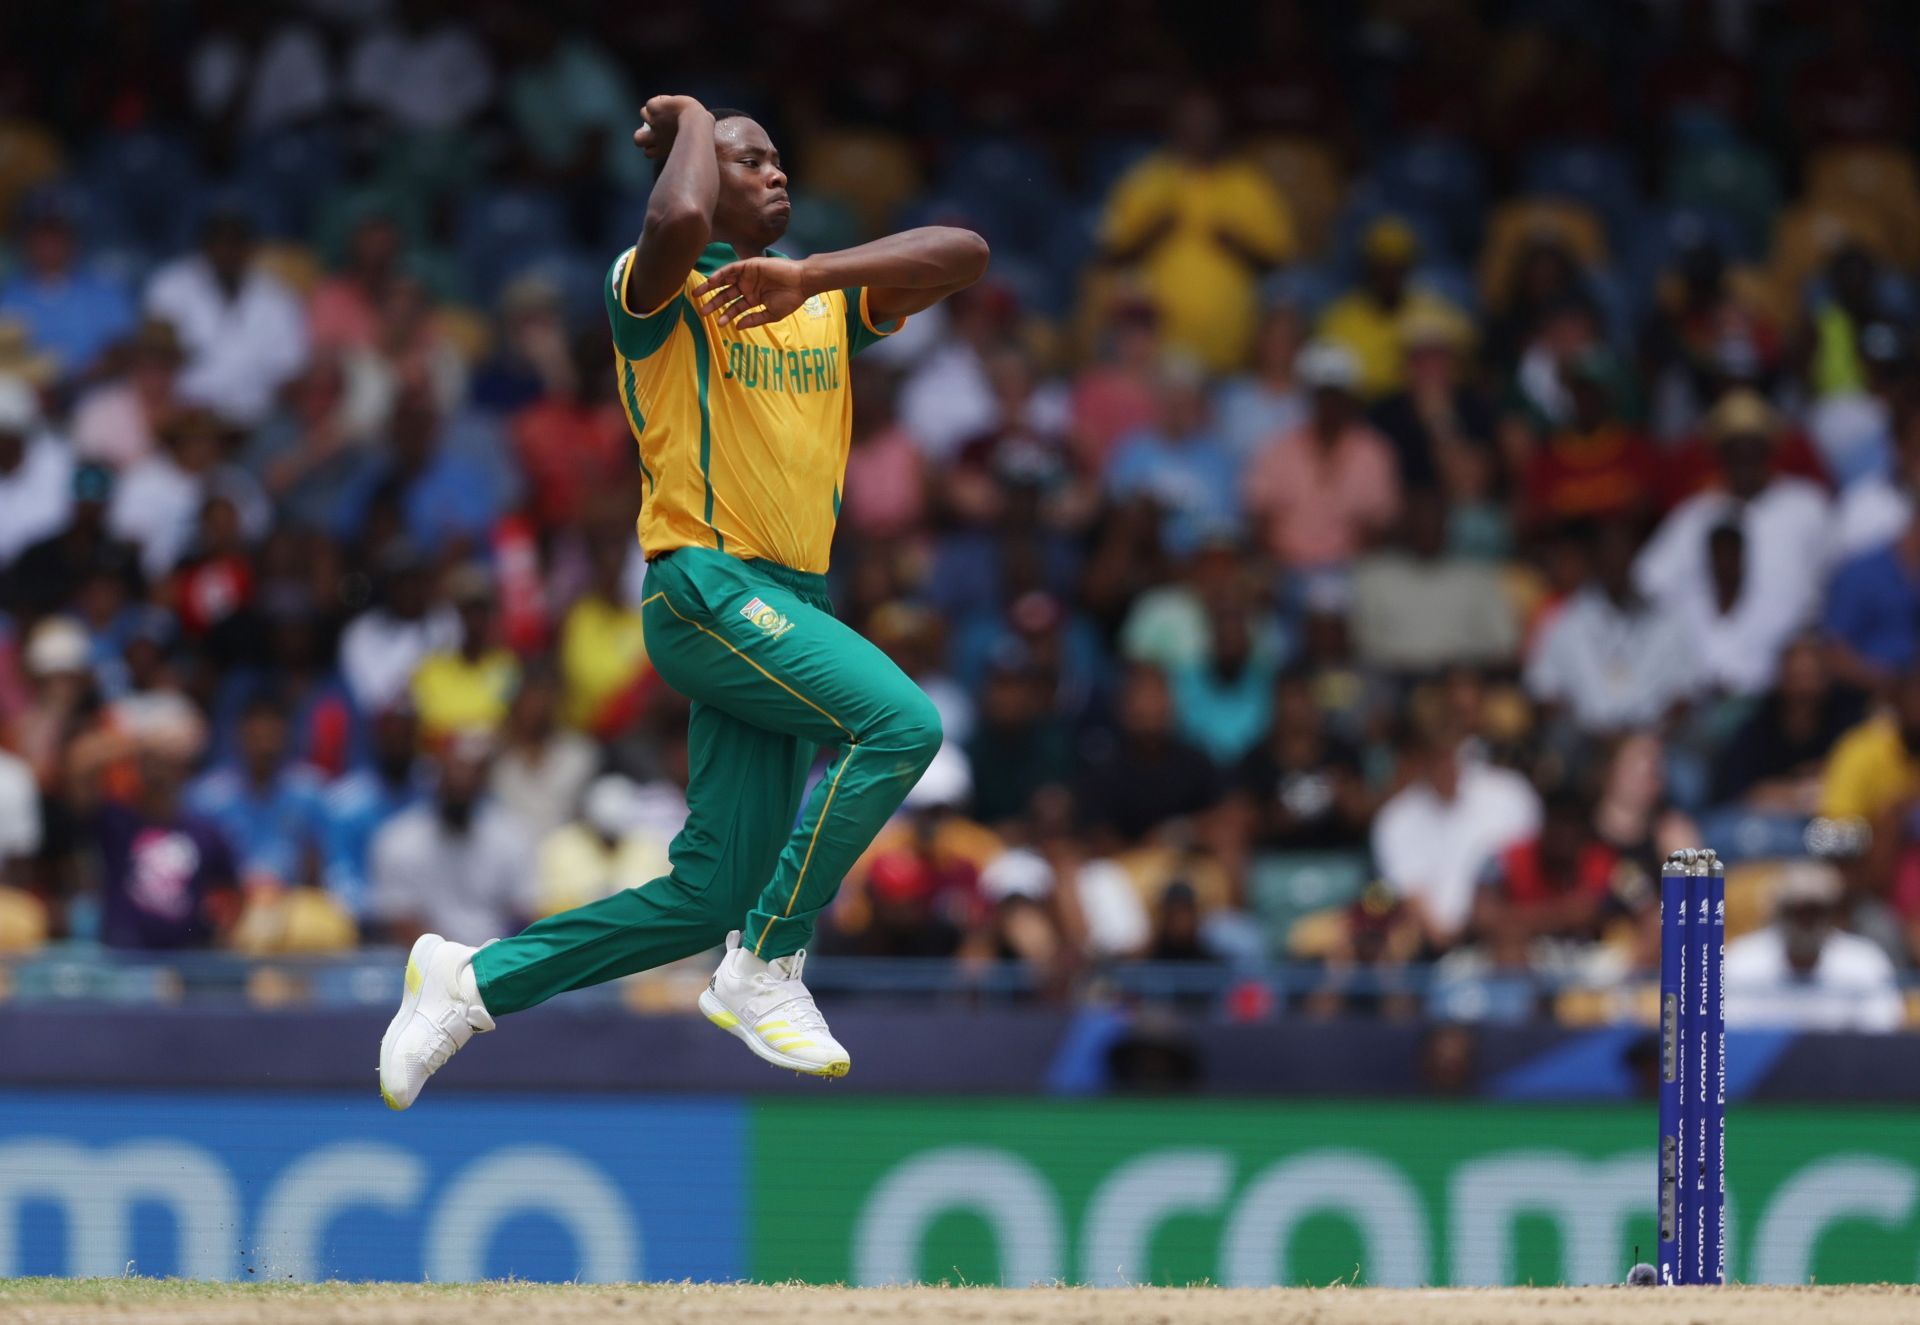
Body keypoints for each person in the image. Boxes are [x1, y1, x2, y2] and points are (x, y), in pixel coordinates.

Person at [378, 97, 988, 1107]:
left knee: (704, 897)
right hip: (707, 583)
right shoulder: (656, 290)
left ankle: (468, 982)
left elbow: (963, 251)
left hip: (789, 606)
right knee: (903, 723)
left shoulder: (826, 302)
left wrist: (813, 274)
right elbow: (676, 225)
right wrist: (698, 119)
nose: (777, 174)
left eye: (781, 159)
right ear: (705, 172)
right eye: (751, 163)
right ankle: (769, 964)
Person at [1724, 861, 1902, 1032]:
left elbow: (1881, 1036)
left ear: (1832, 915)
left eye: (1815, 913)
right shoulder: (1742, 962)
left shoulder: (1864, 963)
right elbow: (1731, 1037)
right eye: (1796, 913)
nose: (1805, 923)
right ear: (1778, 915)